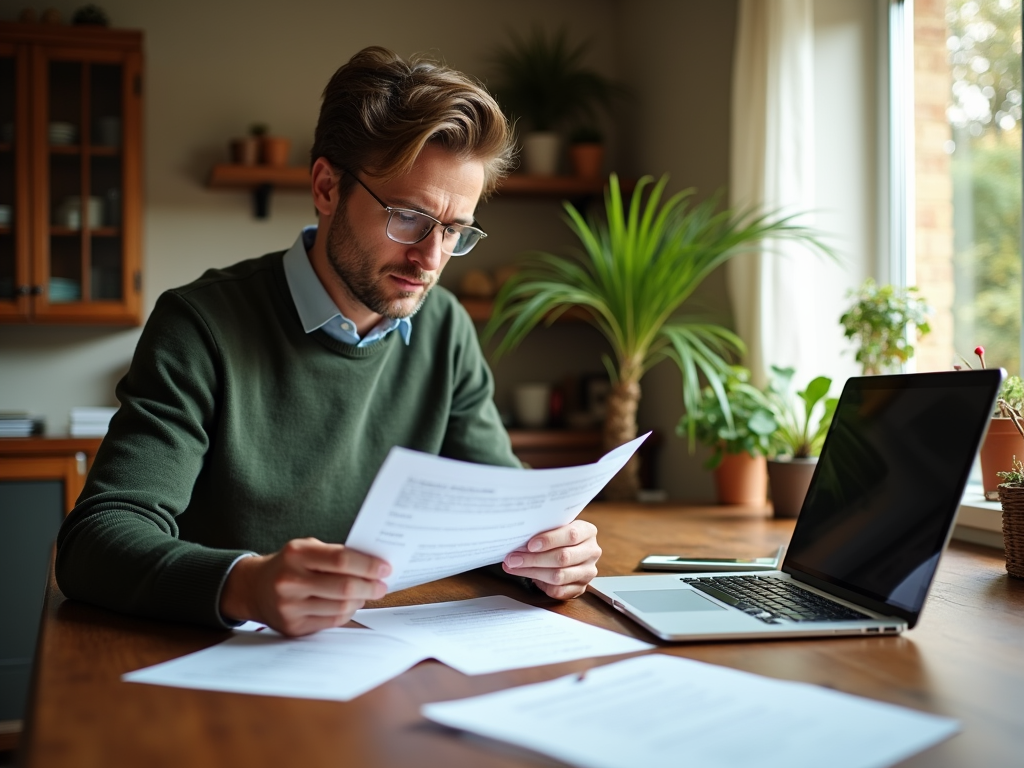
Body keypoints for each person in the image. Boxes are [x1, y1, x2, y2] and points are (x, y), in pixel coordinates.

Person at [55, 46, 601, 637]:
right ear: (325, 186)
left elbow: (504, 515)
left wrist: (548, 554)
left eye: (455, 231)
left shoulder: (444, 327)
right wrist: (246, 585)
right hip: (225, 674)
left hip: (390, 667)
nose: (430, 258)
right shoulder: (198, 325)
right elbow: (96, 540)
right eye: (409, 217)